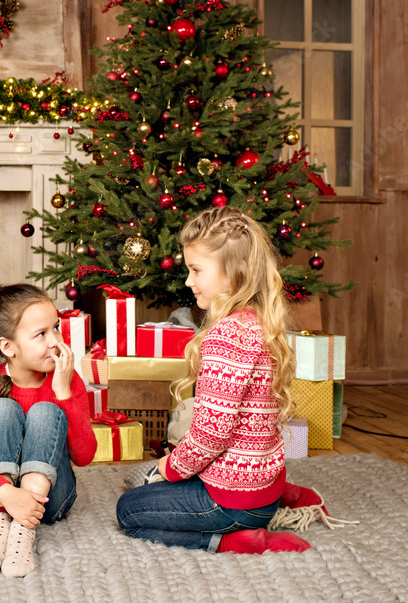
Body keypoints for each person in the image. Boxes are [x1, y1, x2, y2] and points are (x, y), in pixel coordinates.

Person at [116, 206, 324, 554]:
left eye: (197, 270)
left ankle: (230, 539)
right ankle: (285, 495)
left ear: (235, 272)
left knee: (129, 511)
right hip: (262, 488)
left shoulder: (226, 336)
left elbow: (211, 435)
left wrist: (171, 467)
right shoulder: (259, 323)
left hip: (234, 503)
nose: (188, 280)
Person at [0, 283, 97, 577]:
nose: (55, 342)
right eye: (41, 334)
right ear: (8, 347)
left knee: (45, 411)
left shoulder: (65, 377)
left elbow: (85, 455)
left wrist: (63, 393)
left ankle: (23, 532)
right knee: (2, 409)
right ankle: (0, 530)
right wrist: (7, 496)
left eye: (56, 328)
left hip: (46, 503)